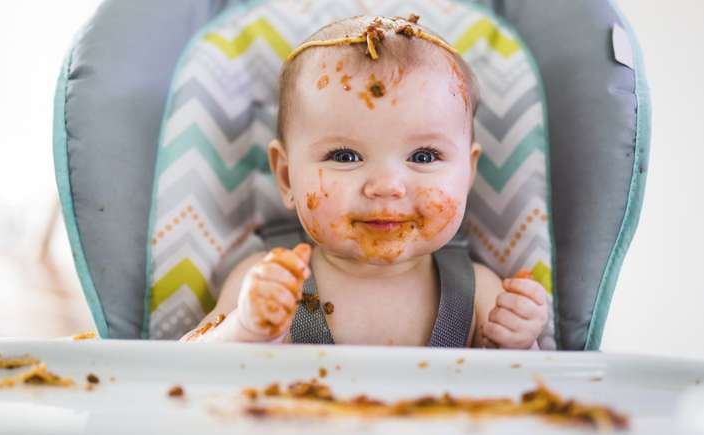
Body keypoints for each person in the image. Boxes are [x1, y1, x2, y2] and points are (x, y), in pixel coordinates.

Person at [181, 15, 548, 349]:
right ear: (285, 176)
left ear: (468, 173)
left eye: (423, 156)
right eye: (345, 156)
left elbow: (531, 399)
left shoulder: (480, 293)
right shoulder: (268, 284)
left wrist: (516, 344)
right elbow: (183, 369)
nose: (387, 186)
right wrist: (244, 330)